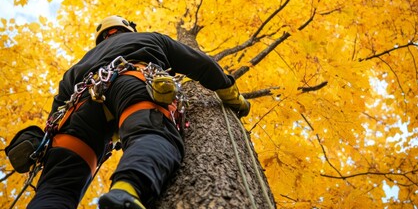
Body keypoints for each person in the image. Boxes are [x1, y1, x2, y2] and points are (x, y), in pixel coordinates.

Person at [8, 15, 250, 209]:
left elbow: (58, 110)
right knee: (151, 134)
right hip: (134, 82)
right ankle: (126, 191)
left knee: (58, 185)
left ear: (102, 38)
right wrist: (232, 95)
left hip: (79, 107)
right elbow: (201, 64)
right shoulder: (151, 39)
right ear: (127, 30)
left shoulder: (79, 65)